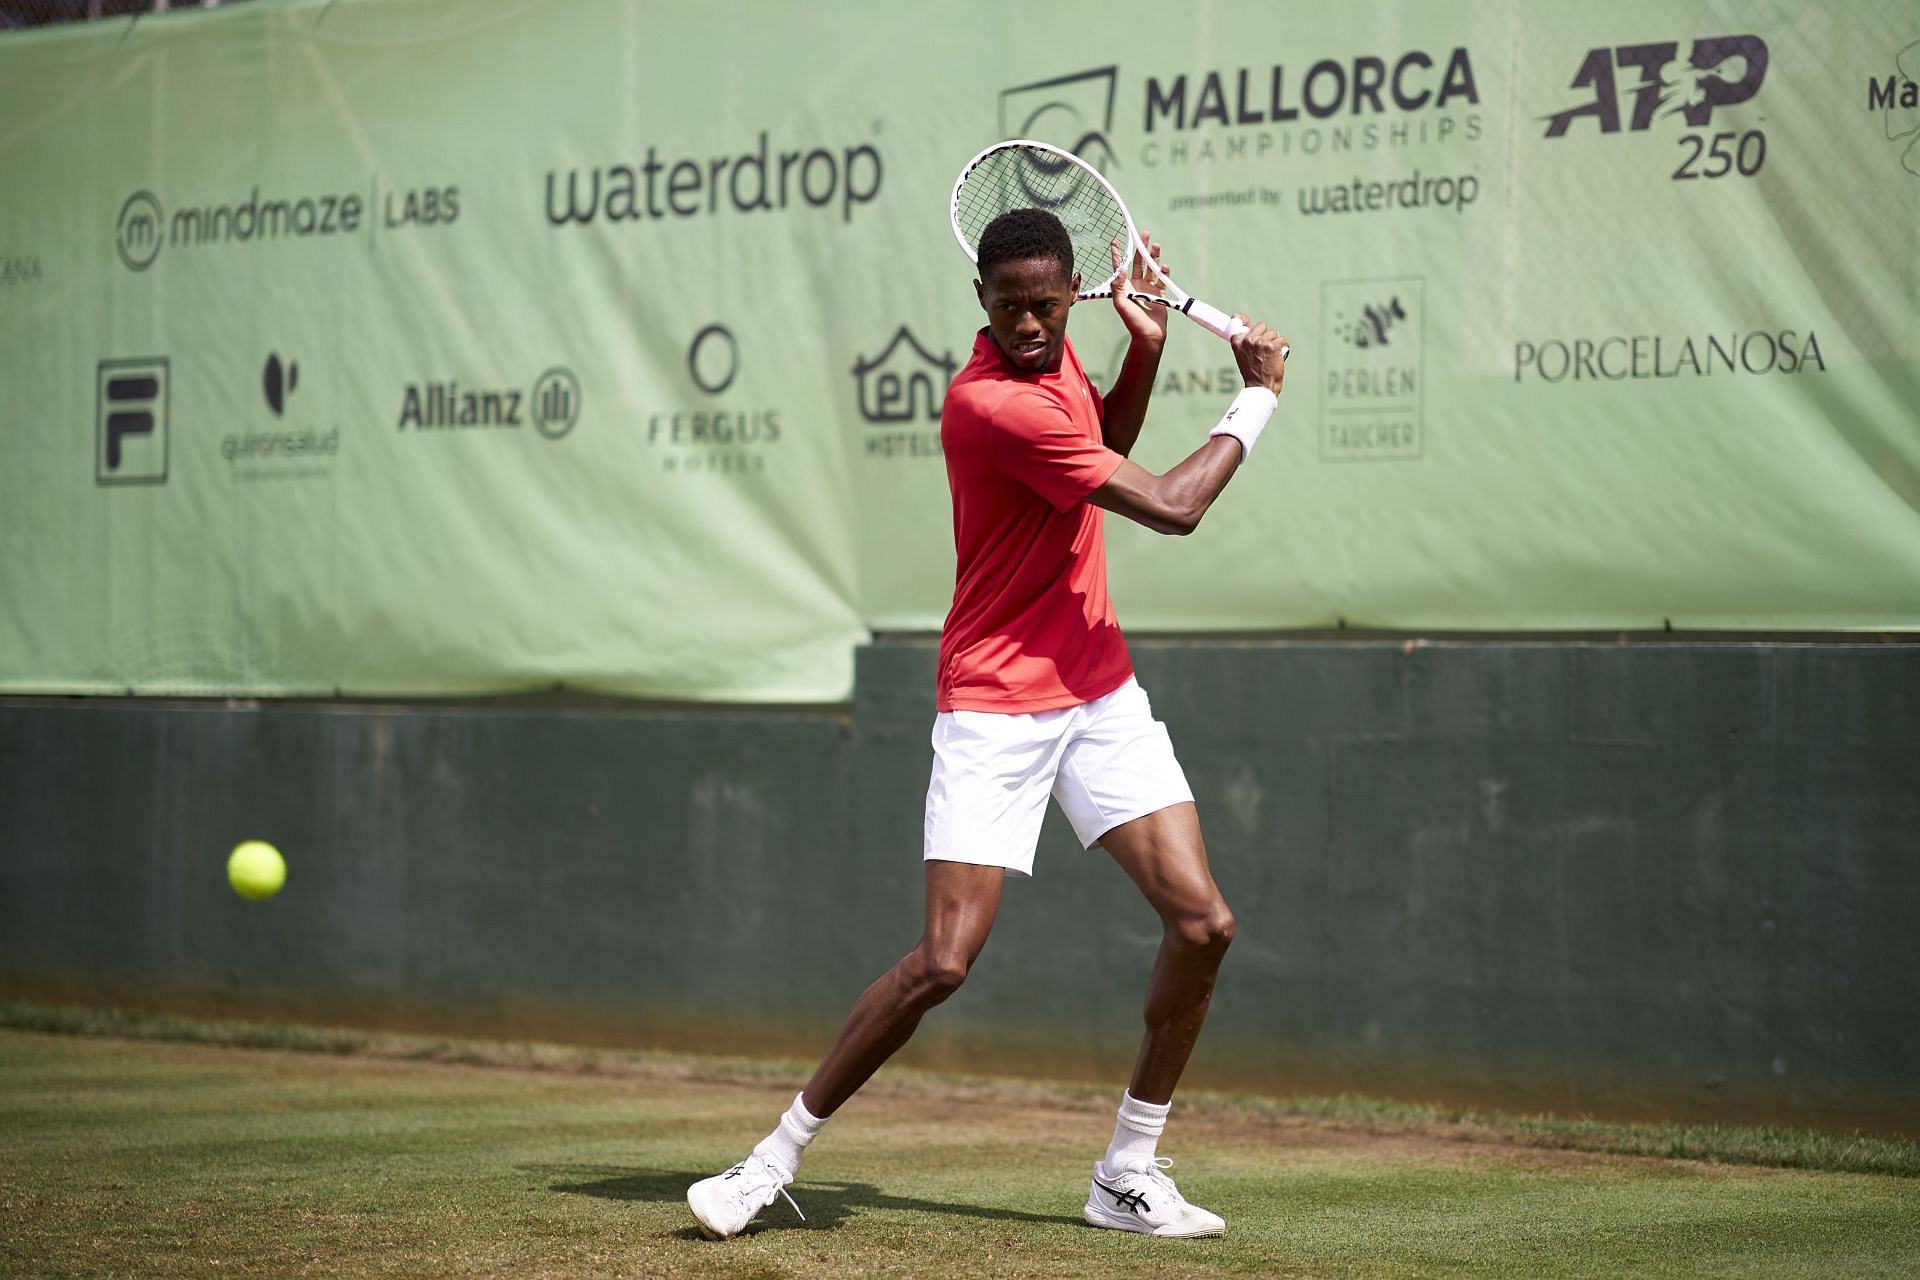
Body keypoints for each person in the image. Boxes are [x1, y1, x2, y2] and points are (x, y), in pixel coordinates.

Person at [688, 207, 1289, 1241]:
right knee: (944, 961)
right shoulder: (985, 403)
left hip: (1098, 688)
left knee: (1204, 923)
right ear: (981, 300)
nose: (1024, 321)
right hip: (996, 704)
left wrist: (1142, 349)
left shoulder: (1055, 373)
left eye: (1043, 305)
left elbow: (1097, 449)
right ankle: (771, 1158)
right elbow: (1170, 505)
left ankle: (1127, 1171)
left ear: (1069, 299)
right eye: (1007, 304)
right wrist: (1258, 395)